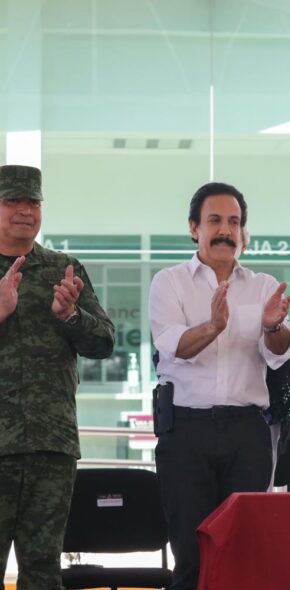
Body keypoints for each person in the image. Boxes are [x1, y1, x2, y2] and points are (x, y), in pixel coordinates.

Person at [149, 181, 290, 590]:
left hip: (247, 433)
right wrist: (215, 326)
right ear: (193, 227)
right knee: (190, 556)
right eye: (214, 220)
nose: (225, 230)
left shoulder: (263, 285)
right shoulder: (169, 282)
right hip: (186, 432)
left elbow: (280, 351)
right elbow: (173, 347)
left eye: (234, 222)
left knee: (245, 555)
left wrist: (272, 328)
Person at [0, 165, 115, 590]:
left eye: (32, 202)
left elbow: (103, 342)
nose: (24, 211)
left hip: (51, 444)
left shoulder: (64, 269)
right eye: (12, 201)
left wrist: (70, 314)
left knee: (43, 571)